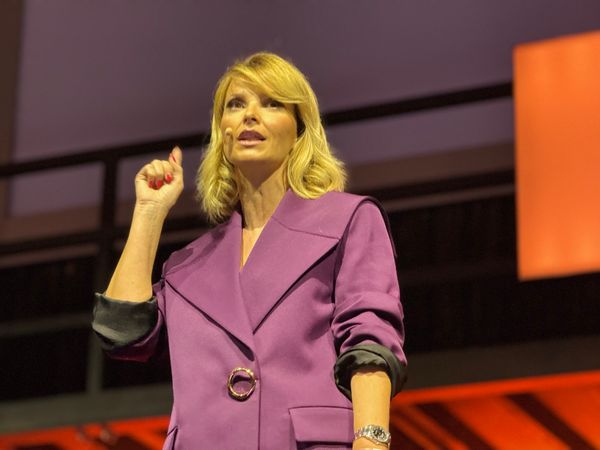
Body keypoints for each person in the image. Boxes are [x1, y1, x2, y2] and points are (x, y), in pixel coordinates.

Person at [92, 52, 407, 450]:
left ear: (299, 129)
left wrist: (372, 439)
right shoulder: (188, 266)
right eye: (236, 104)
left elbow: (370, 340)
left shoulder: (347, 219)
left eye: (272, 103)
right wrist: (149, 213)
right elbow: (123, 334)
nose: (249, 115)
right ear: (221, 130)